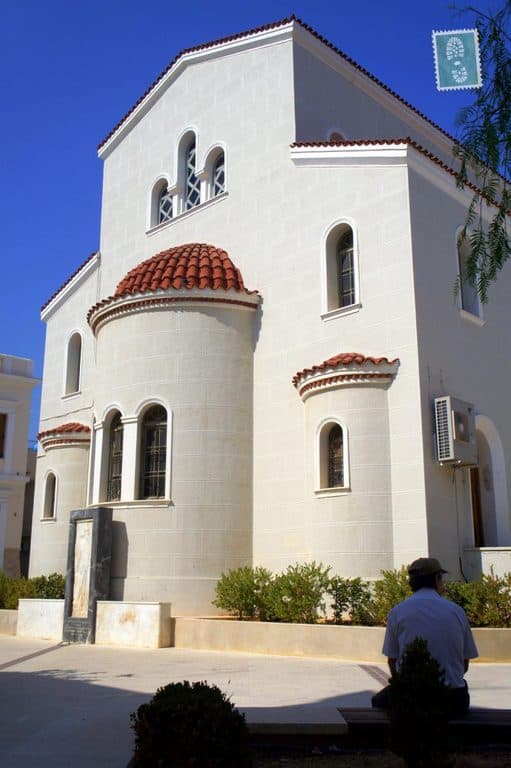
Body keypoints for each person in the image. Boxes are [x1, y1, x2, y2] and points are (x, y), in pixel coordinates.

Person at [372, 557, 478, 716]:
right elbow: (464, 662)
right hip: (452, 698)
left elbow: (392, 660)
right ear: (437, 578)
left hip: (412, 696)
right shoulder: (456, 611)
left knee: (378, 701)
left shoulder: (398, 611)